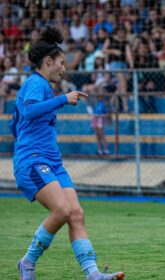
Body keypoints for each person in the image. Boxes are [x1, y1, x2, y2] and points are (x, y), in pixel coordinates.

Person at [9, 26, 124, 280]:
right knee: (61, 210)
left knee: (76, 213)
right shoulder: (37, 83)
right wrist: (63, 99)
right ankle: (27, 262)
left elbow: (15, 123)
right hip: (34, 161)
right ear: (48, 61)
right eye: (61, 63)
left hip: (51, 161)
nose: (64, 68)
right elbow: (28, 112)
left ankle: (93, 274)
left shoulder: (40, 86)